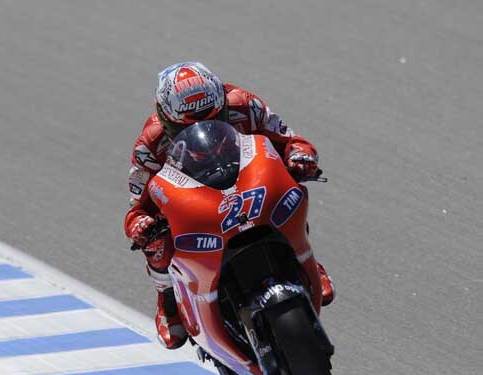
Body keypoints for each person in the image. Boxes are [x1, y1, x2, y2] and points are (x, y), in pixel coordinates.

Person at [124, 61, 335, 350]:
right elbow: (137, 209)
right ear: (166, 119)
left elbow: (290, 140)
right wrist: (141, 225)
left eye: (214, 117)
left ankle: (301, 256)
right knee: (156, 242)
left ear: (221, 101)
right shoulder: (150, 144)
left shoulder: (244, 104)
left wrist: (300, 156)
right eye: (187, 125)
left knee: (288, 187)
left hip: (246, 178)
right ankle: (168, 299)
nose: (203, 127)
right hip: (193, 199)